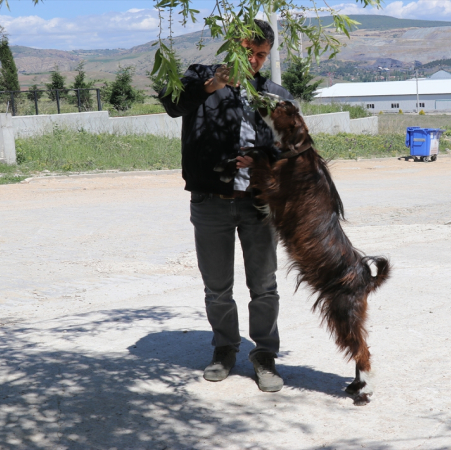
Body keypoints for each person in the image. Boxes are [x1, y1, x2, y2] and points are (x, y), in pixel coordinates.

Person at [160, 19, 293, 393]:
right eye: (248, 52)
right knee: (217, 288)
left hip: (258, 206)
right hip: (210, 203)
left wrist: (263, 160)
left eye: (262, 55)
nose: (253, 60)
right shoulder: (200, 77)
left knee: (264, 287)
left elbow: (292, 149)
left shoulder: (275, 93)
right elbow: (172, 105)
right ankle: (224, 350)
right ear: (234, 46)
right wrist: (213, 83)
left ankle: (264, 355)